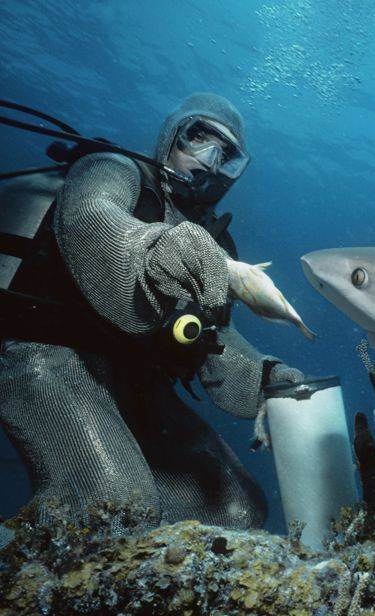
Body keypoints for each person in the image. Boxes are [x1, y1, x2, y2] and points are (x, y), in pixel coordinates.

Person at [0, 93, 303, 530]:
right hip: (43, 349)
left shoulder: (210, 242)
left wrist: (265, 379)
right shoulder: (112, 168)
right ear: (171, 134)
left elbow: (214, 340)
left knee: (237, 509)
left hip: (133, 377)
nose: (209, 160)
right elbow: (92, 218)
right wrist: (155, 251)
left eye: (227, 155)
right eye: (198, 137)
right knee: (113, 504)